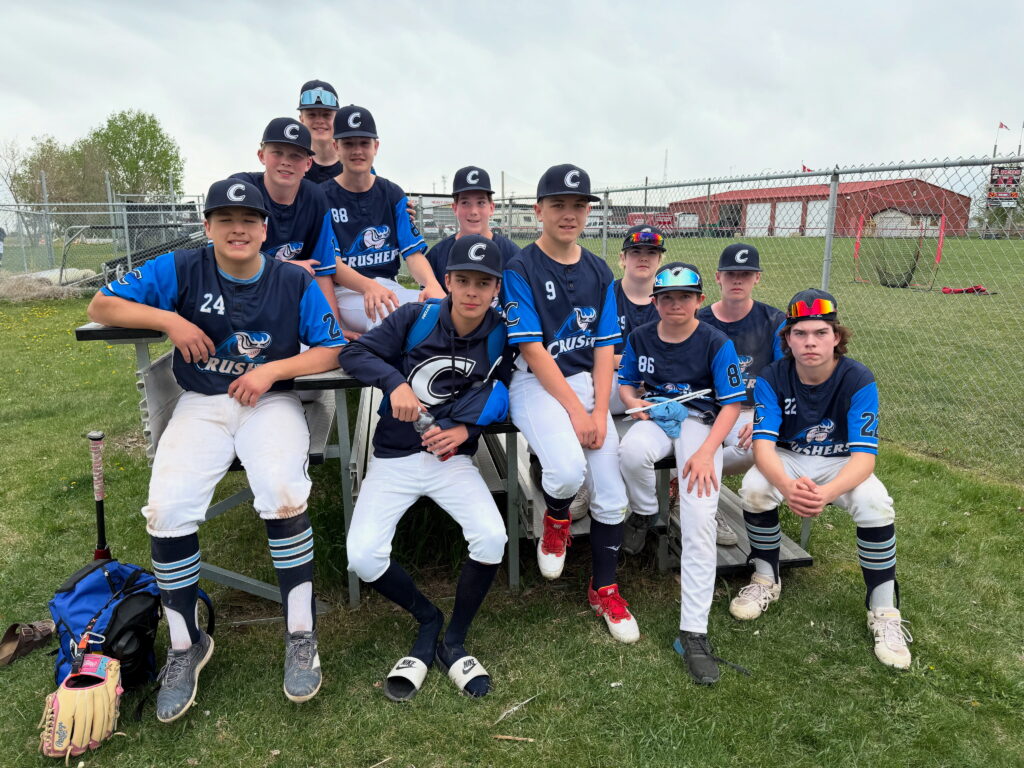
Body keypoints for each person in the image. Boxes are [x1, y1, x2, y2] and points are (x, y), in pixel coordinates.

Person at [86, 179, 345, 721]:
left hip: (270, 402)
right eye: (225, 219)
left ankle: (301, 633)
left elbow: (331, 349)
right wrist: (169, 319)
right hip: (202, 403)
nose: (237, 229)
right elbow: (101, 303)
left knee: (281, 492)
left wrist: (272, 370)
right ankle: (186, 644)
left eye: (249, 220)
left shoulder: (291, 279)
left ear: (264, 229)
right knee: (167, 509)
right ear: (207, 226)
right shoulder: (182, 268)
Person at [340, 235, 514, 701]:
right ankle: (427, 617)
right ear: (448, 281)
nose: (472, 291)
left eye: (484, 283)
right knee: (363, 556)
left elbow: (506, 390)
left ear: (496, 288)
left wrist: (466, 430)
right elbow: (353, 354)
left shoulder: (502, 332)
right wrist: (394, 382)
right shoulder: (415, 317)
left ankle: (453, 640)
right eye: (464, 280)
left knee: (492, 537)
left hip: (451, 460)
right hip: (395, 456)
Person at [730, 288, 912, 669]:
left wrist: (825, 494)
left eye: (820, 332)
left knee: (875, 503)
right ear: (787, 339)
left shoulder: (858, 378)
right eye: (800, 333)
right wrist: (786, 487)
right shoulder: (773, 376)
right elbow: (763, 448)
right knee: (754, 487)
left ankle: (884, 610)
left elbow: (864, 458)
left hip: (840, 461)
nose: (810, 342)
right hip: (789, 456)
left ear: (836, 337)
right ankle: (765, 578)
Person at [503, 163, 639, 643]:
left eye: (579, 205)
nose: (569, 213)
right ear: (538, 210)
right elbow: (532, 349)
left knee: (614, 498)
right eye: (558, 204)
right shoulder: (520, 267)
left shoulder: (599, 269)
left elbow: (605, 347)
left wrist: (599, 410)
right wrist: (579, 413)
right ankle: (556, 518)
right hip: (536, 384)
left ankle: (604, 588)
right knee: (564, 471)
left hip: (586, 383)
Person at [617, 263, 745, 683]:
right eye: (667, 297)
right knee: (630, 451)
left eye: (685, 296)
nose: (675, 304)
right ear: (654, 302)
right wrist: (635, 405)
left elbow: (731, 404)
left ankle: (694, 631)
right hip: (658, 414)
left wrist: (708, 452)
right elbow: (626, 383)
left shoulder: (715, 341)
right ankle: (645, 512)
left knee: (699, 518)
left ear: (699, 300)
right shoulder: (641, 336)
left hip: (701, 424)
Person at [323, 105, 445, 335]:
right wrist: (369, 286)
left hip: (388, 285)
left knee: (439, 311)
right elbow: (333, 265)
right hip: (346, 291)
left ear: (376, 147)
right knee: (389, 315)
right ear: (335, 147)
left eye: (364, 143)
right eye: (348, 143)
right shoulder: (323, 197)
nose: (357, 150)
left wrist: (432, 284)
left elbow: (413, 254)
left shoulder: (392, 193)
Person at [694, 243, 786, 546]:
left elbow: (783, 377)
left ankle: (693, 480)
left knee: (755, 448)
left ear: (757, 277)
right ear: (718, 276)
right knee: (684, 444)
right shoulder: (699, 319)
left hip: (748, 409)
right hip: (705, 407)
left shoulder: (774, 321)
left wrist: (764, 417)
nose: (737, 279)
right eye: (731, 273)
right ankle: (699, 497)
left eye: (745, 274)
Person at [230, 117, 342, 322]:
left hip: (289, 296)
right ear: (261, 155)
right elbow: (225, 260)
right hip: (238, 294)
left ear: (308, 163)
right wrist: (285, 267)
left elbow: (322, 271)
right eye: (277, 152)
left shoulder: (315, 197)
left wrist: (335, 330)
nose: (286, 161)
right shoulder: (241, 188)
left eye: (296, 155)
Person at [424, 166, 520, 289]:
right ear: (455, 208)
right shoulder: (436, 256)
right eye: (465, 203)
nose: (474, 211)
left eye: (481, 203)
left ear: (491, 208)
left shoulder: (512, 255)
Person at [296, 79, 342, 185]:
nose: (320, 121)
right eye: (312, 115)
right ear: (301, 119)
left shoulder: (352, 163)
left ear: (337, 119)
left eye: (326, 115)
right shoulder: (293, 165)